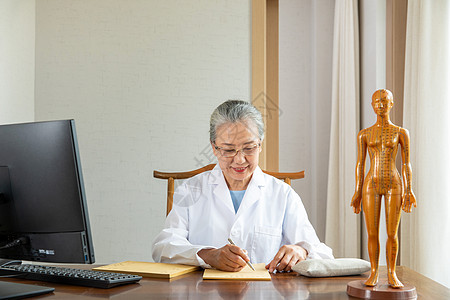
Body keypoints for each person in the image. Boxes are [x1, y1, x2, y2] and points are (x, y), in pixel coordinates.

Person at [152, 100, 333, 273]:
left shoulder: (282, 194)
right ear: (214, 148)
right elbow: (163, 247)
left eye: (249, 148)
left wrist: (302, 252)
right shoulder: (191, 190)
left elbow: (324, 255)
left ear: (260, 144)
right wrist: (208, 255)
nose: (239, 160)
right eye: (229, 150)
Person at [351, 89, 416, 288]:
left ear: (392, 103)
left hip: (393, 183)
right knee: (371, 233)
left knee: (391, 233)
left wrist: (409, 190)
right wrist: (357, 191)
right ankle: (373, 272)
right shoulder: (365, 134)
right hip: (371, 184)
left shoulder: (401, 132)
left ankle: (391, 273)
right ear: (372, 105)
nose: (381, 105)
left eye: (385, 101)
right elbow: (360, 164)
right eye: (377, 102)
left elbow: (406, 164)